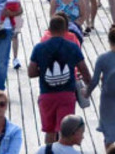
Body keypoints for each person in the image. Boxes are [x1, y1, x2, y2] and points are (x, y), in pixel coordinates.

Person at [28, 15, 92, 144]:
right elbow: (84, 71)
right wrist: (89, 88)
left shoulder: (39, 48)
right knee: (65, 131)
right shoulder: (72, 47)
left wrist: (45, 71)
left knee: (50, 131)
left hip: (47, 94)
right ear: (65, 30)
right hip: (66, 94)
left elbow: (31, 72)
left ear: (49, 30)